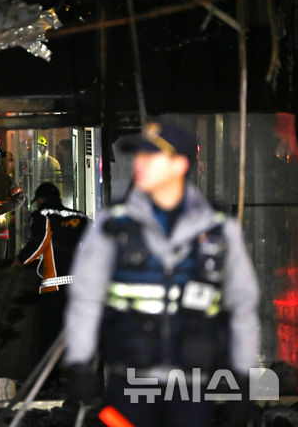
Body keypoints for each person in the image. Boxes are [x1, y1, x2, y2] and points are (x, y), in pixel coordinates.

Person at [63, 123, 259, 427]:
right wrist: (79, 361)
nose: (139, 162)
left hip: (191, 387)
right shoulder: (112, 227)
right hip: (130, 382)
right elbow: (86, 298)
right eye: (139, 154)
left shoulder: (219, 232)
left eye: (152, 156)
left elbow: (242, 307)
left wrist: (245, 380)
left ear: (180, 164)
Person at [10, 182, 89, 381]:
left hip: (54, 287)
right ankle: (78, 378)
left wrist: (20, 261)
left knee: (49, 335)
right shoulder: (80, 217)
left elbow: (40, 242)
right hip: (80, 288)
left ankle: (49, 380)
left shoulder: (43, 215)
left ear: (41, 199)